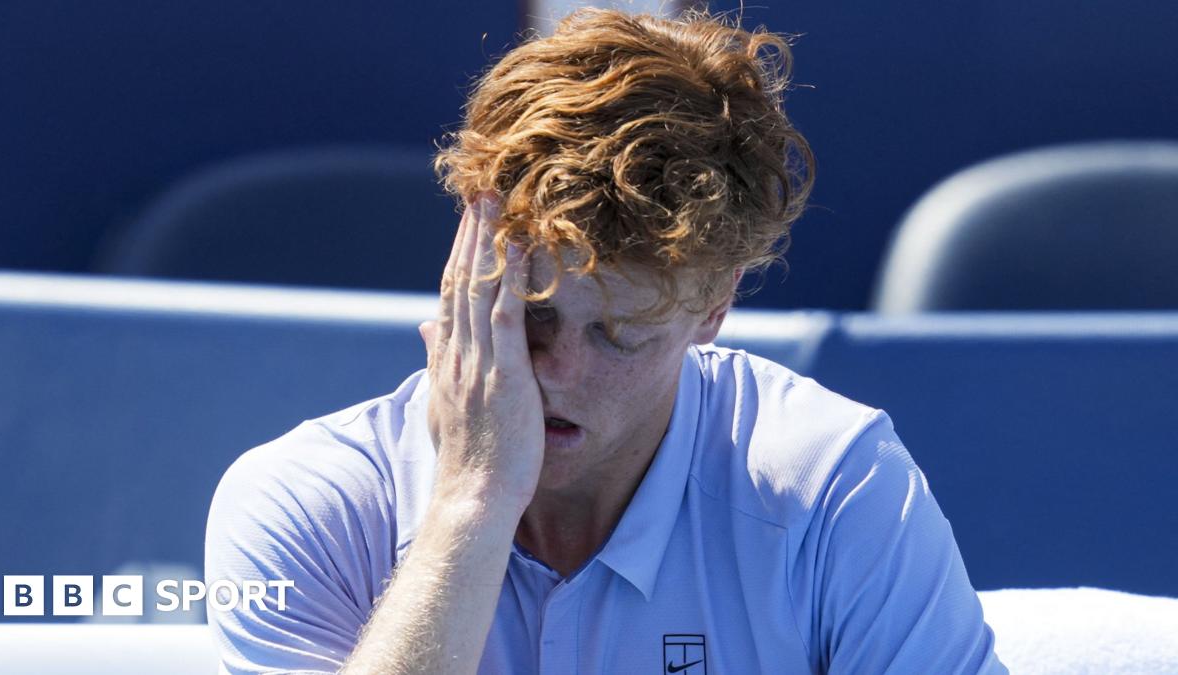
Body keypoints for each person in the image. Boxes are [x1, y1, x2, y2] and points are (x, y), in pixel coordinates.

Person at [205, 8, 1006, 674]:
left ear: (714, 309)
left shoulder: (837, 486)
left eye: (622, 335)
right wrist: (471, 504)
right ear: (462, 276)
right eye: (532, 316)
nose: (557, 373)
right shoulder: (300, 503)